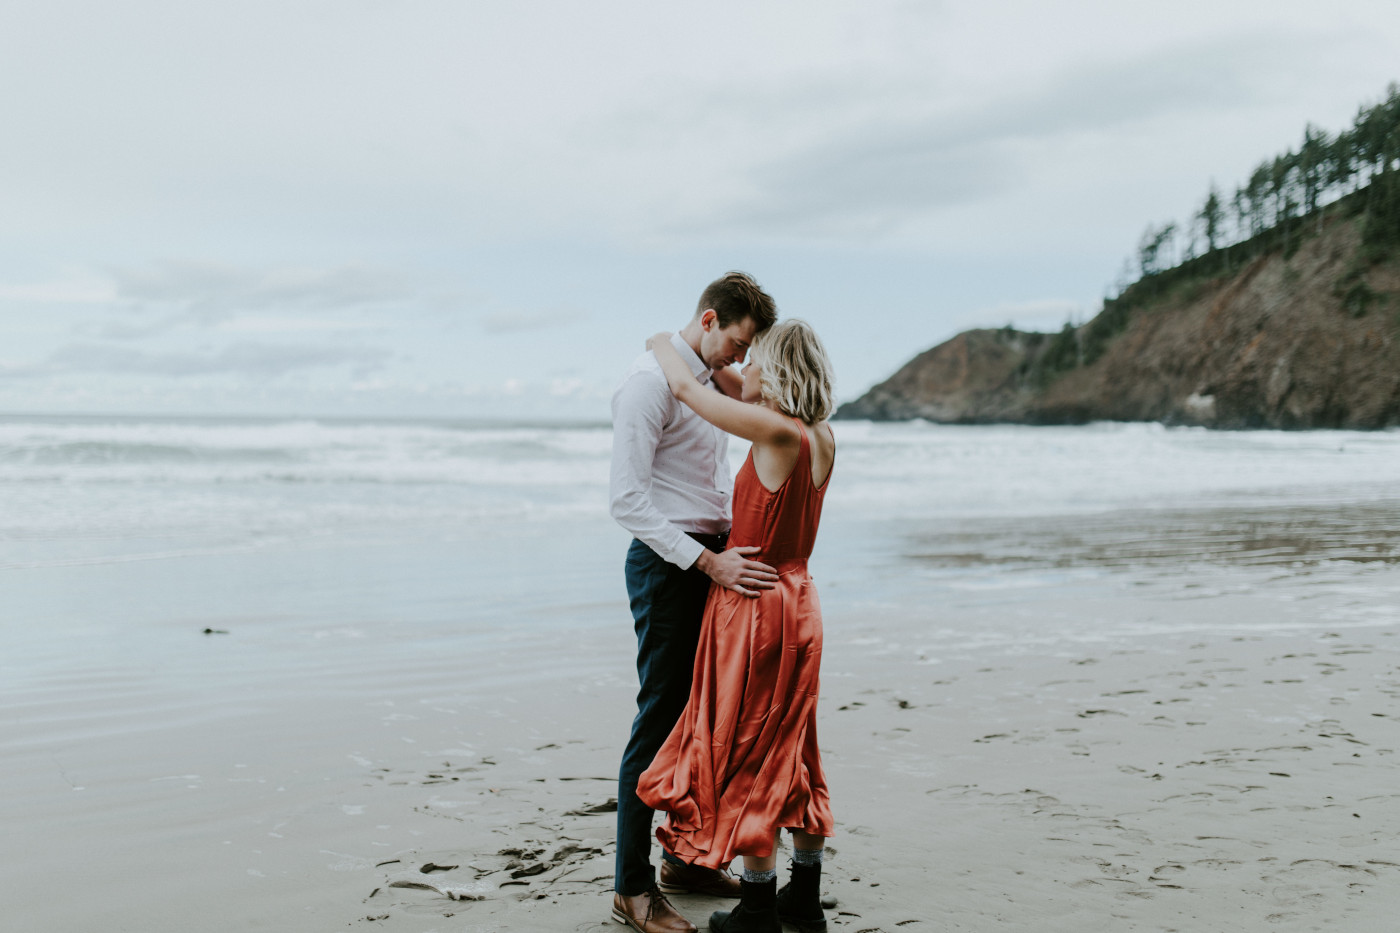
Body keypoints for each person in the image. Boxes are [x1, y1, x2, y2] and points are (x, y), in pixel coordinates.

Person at [637, 318, 837, 933]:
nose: (740, 369)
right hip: (800, 600)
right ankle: (802, 900)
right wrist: (722, 359)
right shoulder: (820, 435)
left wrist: (661, 344)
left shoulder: (773, 432)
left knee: (753, 754)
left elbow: (695, 395)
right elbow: (726, 383)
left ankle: (755, 909)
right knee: (794, 751)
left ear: (773, 373)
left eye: (753, 362)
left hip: (756, 608)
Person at [609, 272, 780, 933]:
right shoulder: (648, 383)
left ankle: (685, 860)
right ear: (709, 319)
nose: (741, 358)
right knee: (659, 723)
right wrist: (708, 562)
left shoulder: (706, 378)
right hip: (669, 567)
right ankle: (631, 886)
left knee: (704, 719)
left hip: (715, 563)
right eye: (737, 342)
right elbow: (627, 500)